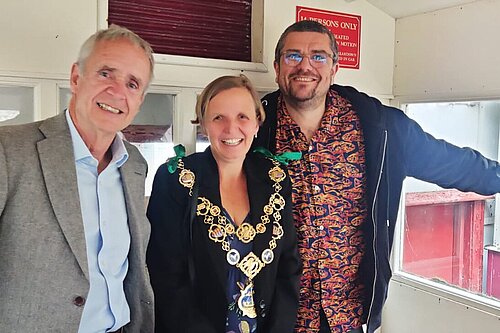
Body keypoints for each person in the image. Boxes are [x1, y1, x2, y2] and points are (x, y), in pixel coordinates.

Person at [253, 20, 500, 333]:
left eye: (318, 56)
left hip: (349, 317)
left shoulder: (380, 127)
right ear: (277, 67)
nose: (305, 66)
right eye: (293, 56)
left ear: (334, 68)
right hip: (275, 317)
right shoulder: (253, 130)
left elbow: (454, 164)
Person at [0, 25, 155, 332]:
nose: (117, 91)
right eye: (106, 73)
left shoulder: (135, 164)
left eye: (133, 83)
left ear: (139, 101)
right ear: (75, 77)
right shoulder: (9, 149)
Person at [147, 74, 302, 333]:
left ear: (256, 124)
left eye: (242, 117)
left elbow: (289, 266)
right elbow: (165, 277)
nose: (231, 129)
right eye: (219, 118)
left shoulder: (275, 177)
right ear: (204, 124)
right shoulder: (175, 179)